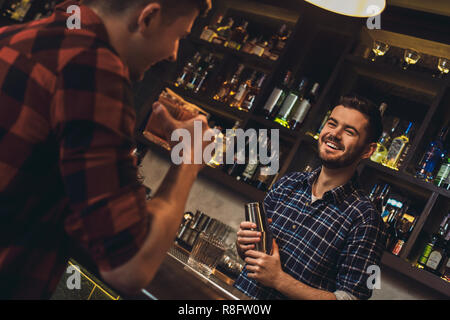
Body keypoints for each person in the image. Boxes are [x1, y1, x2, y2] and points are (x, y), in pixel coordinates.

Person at [0, 0, 212, 299]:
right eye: (179, 35)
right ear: (148, 17)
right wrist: (189, 159)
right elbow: (130, 265)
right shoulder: (93, 69)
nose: (173, 53)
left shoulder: (13, 36)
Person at [235, 95, 387, 300]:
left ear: (368, 150)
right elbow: (256, 257)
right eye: (332, 124)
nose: (335, 134)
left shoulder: (367, 220)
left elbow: (353, 298)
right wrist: (244, 245)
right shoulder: (288, 183)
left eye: (350, 131)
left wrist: (279, 280)